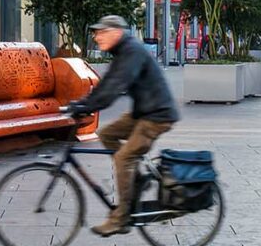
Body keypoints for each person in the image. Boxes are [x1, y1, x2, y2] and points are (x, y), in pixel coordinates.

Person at [66, 16, 179, 237]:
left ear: (116, 32)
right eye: (96, 32)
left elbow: (115, 87)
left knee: (123, 158)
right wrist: (82, 104)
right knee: (107, 133)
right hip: (143, 112)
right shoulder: (122, 52)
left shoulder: (132, 52)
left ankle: (121, 218)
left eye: (101, 32)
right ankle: (133, 180)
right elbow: (106, 84)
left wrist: (88, 106)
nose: (96, 37)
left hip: (157, 115)